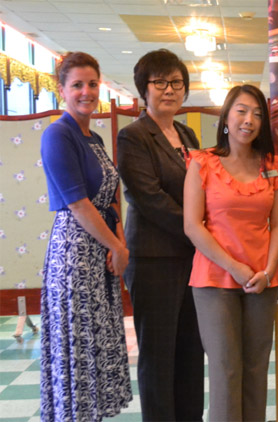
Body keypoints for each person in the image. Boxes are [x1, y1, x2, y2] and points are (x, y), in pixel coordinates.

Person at [184, 84, 278, 421]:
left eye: (257, 114)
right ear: (226, 117)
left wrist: (268, 271)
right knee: (226, 369)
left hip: (262, 280)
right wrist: (234, 267)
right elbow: (193, 226)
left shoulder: (273, 166)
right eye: (241, 111)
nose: (249, 120)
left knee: (257, 368)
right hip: (214, 279)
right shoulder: (202, 163)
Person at [40, 51, 132, 421]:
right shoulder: (58, 135)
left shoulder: (93, 137)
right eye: (77, 84)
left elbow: (110, 197)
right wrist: (116, 246)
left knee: (97, 345)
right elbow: (78, 204)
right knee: (78, 347)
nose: (86, 92)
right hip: (76, 253)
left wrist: (119, 243)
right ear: (61, 90)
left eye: (92, 84)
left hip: (103, 250)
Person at [116, 49, 204, 421]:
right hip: (154, 262)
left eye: (177, 83)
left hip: (192, 260)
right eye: (160, 82)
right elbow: (149, 198)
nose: (170, 90)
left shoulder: (186, 133)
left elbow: (202, 188)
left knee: (191, 352)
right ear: (144, 89)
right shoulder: (133, 136)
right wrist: (199, 232)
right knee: (157, 357)